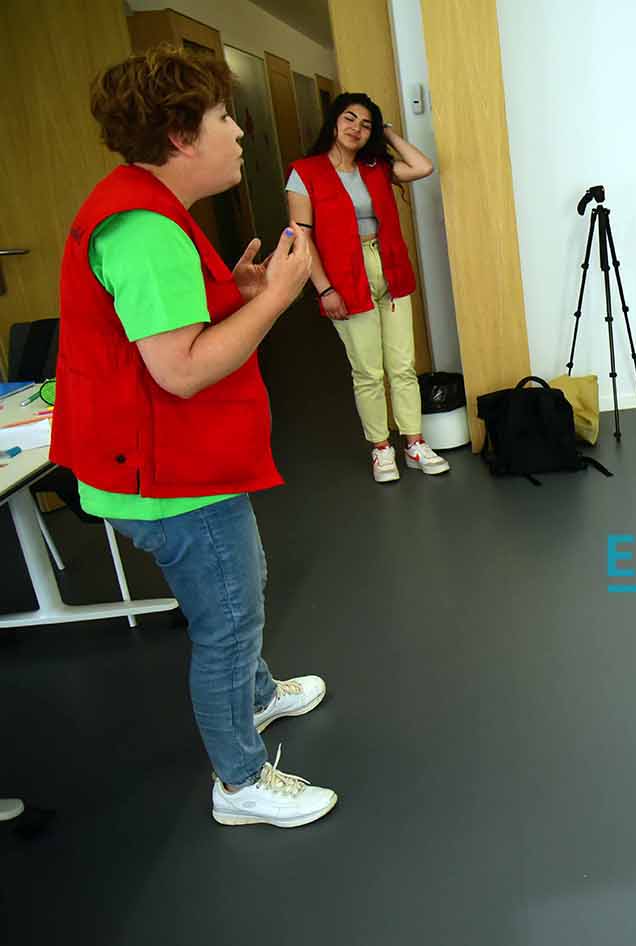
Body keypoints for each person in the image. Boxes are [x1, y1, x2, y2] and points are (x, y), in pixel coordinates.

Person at [52, 45, 337, 827]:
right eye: (221, 118)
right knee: (229, 622)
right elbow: (179, 371)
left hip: (162, 461)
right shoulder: (145, 231)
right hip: (165, 476)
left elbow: (160, 329)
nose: (239, 133)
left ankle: (258, 695)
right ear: (181, 136)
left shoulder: (142, 204)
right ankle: (240, 784)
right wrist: (276, 297)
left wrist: (233, 294)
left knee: (241, 587)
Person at [285, 93, 444, 483]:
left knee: (403, 365)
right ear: (333, 122)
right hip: (343, 275)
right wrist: (324, 289)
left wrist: (386, 132)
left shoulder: (376, 167)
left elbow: (423, 166)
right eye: (350, 118)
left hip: (388, 267)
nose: (356, 128)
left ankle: (414, 443)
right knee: (368, 370)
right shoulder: (305, 172)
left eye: (366, 124)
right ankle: (381, 448)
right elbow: (302, 239)